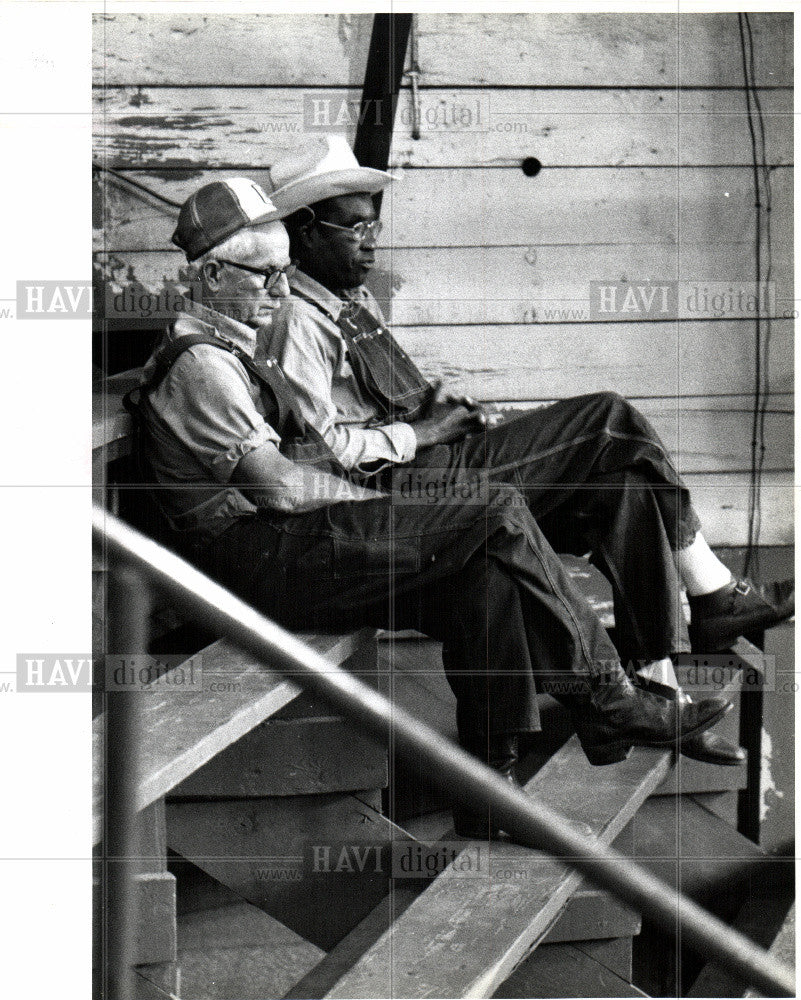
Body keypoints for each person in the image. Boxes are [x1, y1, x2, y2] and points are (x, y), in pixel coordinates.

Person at [131, 177, 734, 842]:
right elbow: (279, 488)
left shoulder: (234, 340)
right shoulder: (202, 364)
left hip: (284, 539)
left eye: (283, 273)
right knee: (495, 509)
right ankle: (606, 696)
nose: (279, 288)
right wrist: (379, 508)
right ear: (212, 274)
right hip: (255, 558)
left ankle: (490, 794)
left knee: (488, 573)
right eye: (265, 276)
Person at [262, 135, 794, 767]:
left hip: (438, 463)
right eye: (354, 229)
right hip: (398, 499)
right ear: (303, 231)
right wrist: (420, 435)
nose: (371, 241)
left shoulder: (352, 302)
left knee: (619, 492)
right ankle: (711, 597)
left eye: (374, 226)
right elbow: (315, 457)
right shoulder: (296, 319)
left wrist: (447, 411)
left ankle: (657, 690)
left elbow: (389, 402)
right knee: (608, 418)